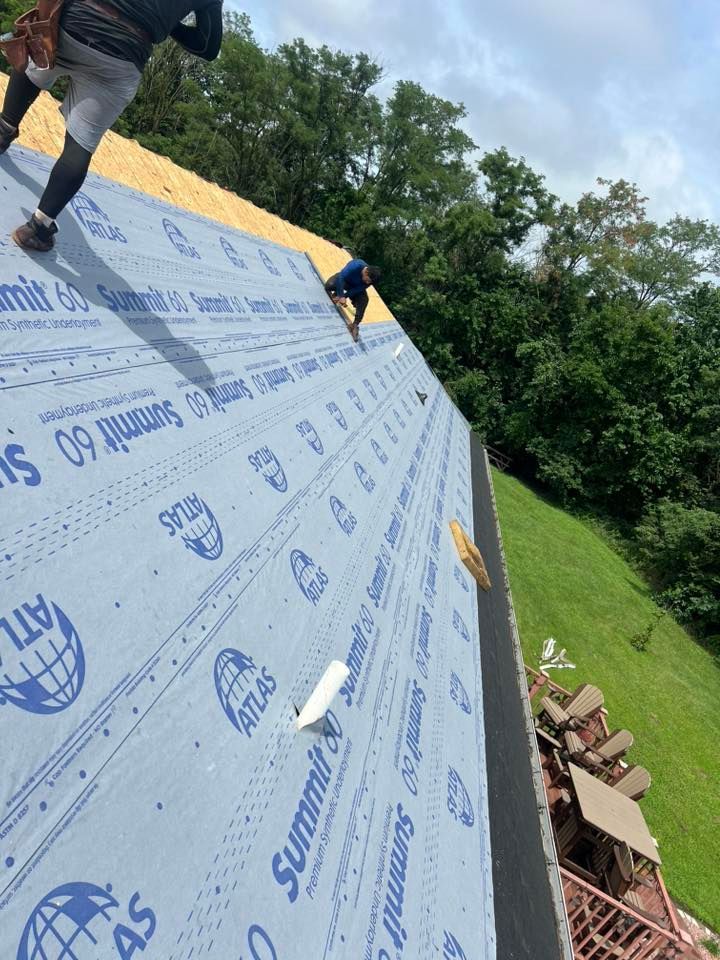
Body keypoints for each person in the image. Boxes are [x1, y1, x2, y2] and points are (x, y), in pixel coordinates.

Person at [0, 0, 223, 251]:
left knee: (37, 56)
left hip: (76, 21)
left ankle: (3, 130)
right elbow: (207, 46)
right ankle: (38, 228)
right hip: (123, 53)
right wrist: (165, 22)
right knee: (80, 145)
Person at [325, 258, 381, 341]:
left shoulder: (369, 281)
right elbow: (341, 277)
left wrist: (345, 296)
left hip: (354, 287)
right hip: (344, 280)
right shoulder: (356, 265)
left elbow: (356, 290)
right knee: (329, 285)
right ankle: (335, 293)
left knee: (364, 300)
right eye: (368, 280)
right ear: (366, 272)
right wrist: (341, 295)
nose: (367, 283)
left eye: (369, 283)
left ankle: (355, 325)